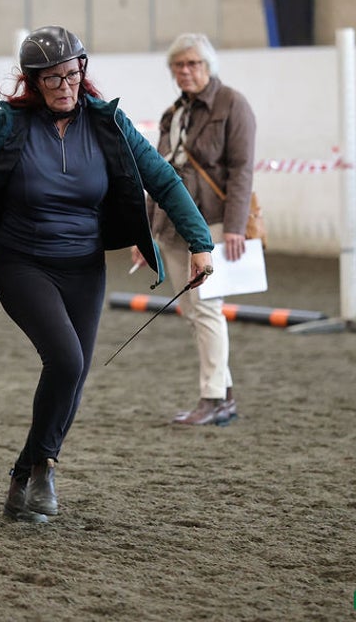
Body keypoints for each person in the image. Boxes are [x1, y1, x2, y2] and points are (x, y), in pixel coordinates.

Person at [0, 26, 214, 523]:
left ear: (83, 70)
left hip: (84, 266)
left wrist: (200, 242)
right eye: (52, 78)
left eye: (72, 73)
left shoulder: (110, 124)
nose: (65, 85)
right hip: (22, 262)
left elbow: (163, 180)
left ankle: (28, 471)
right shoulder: (9, 126)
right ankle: (43, 469)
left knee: (74, 374)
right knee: (64, 359)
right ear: (32, 82)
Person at [132, 33, 257, 426]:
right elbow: (158, 174)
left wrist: (235, 226)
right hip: (171, 225)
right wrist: (146, 232)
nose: (185, 71)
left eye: (193, 64)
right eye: (178, 66)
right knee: (195, 312)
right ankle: (224, 395)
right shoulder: (174, 113)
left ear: (208, 66)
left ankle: (213, 398)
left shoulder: (233, 104)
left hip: (215, 223)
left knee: (205, 310)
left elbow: (242, 170)